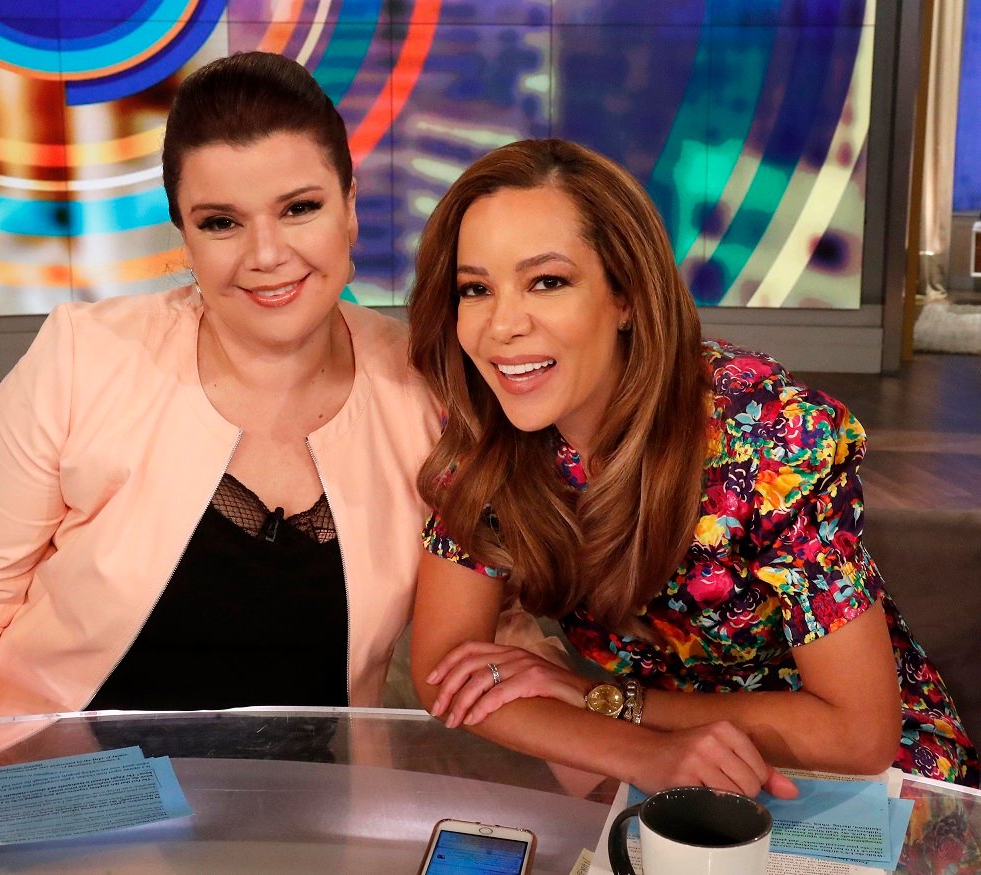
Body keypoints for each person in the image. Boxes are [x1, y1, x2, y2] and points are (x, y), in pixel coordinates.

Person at [0, 53, 558, 762]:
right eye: (221, 222)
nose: (267, 254)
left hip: (303, 797)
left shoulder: (426, 389)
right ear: (183, 235)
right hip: (55, 779)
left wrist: (624, 787)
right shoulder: (82, 357)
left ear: (351, 208)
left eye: (300, 208)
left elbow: (491, 630)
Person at [406, 138, 978, 797]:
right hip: (676, 775)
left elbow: (857, 734)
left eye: (547, 281)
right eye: (475, 288)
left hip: (869, 789)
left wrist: (610, 701)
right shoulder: (487, 431)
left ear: (625, 296)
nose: (501, 324)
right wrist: (641, 753)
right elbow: (446, 669)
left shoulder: (769, 436)